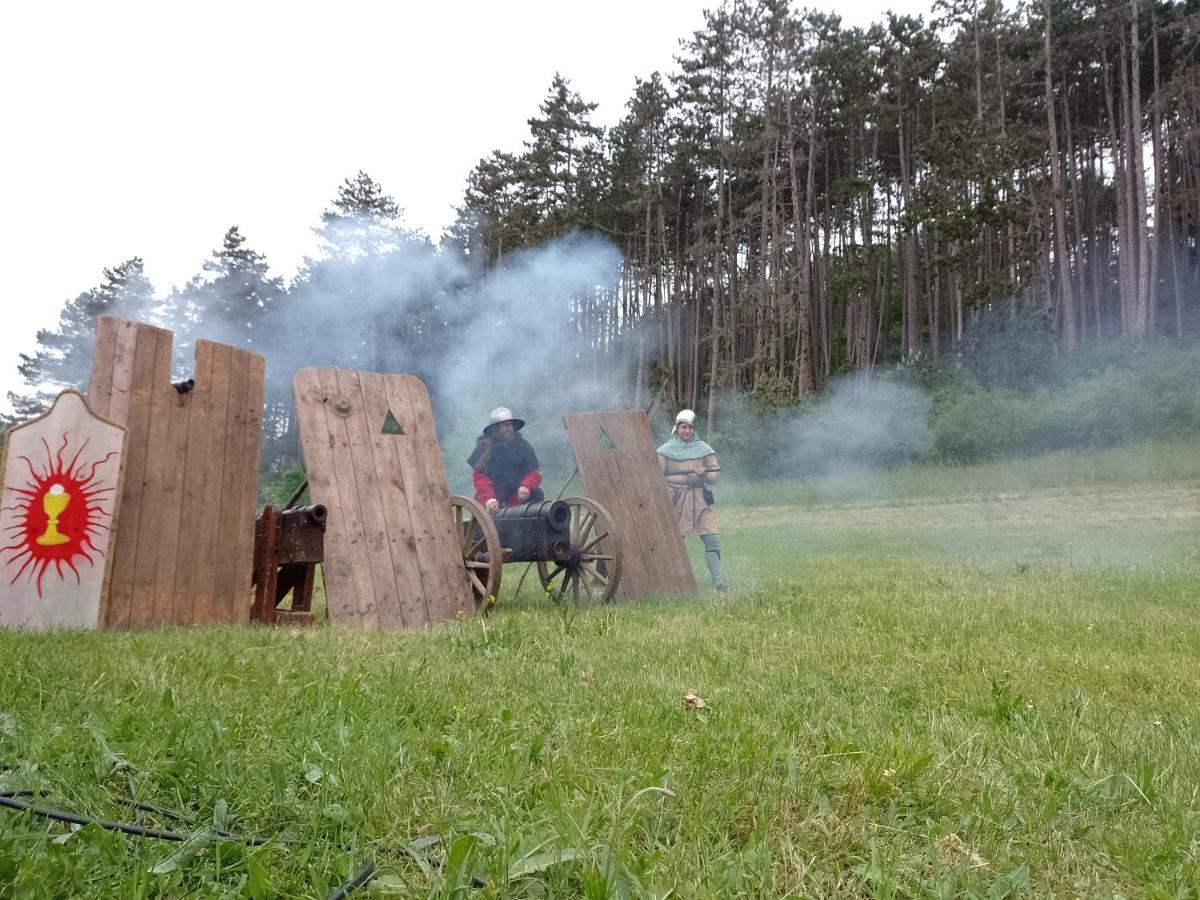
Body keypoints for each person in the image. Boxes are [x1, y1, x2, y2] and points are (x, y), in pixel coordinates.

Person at [657, 409, 726, 591]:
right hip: (676, 501)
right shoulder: (664, 451)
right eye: (683, 427)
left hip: (701, 500)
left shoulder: (704, 450)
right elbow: (656, 475)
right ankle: (675, 582)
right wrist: (683, 478)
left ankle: (718, 584)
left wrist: (704, 475)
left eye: (690, 428)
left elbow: (715, 477)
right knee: (675, 544)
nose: (687, 431)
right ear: (677, 428)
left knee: (712, 540)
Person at [468, 407, 543, 512]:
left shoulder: (523, 445)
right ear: (495, 429)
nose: (508, 427)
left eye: (509, 424)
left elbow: (534, 472)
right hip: (493, 498)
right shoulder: (484, 447)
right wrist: (489, 498)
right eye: (504, 425)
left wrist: (526, 486)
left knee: (537, 494)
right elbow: (480, 477)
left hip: (517, 497)